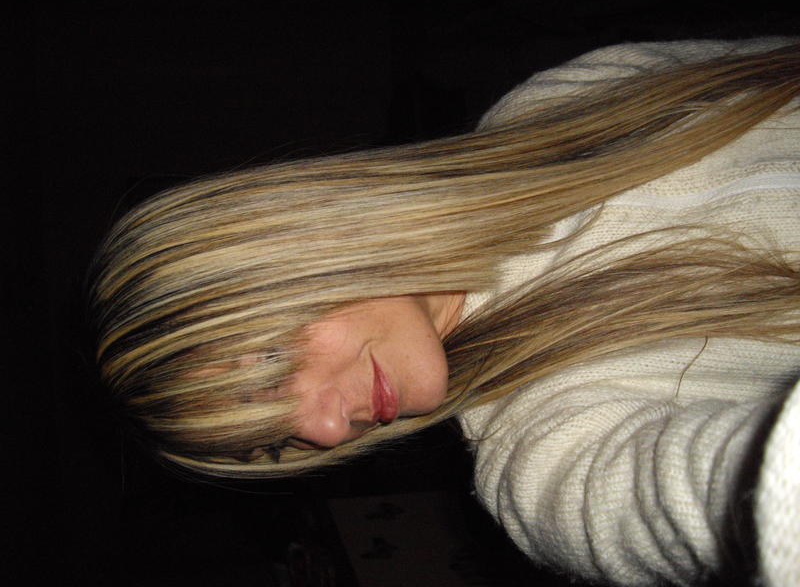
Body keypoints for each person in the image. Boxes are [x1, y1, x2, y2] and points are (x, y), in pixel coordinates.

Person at [90, 38, 800, 586]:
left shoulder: (564, 105)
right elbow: (698, 496)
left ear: (290, 245)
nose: (325, 431)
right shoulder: (542, 457)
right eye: (275, 444)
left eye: (271, 369)